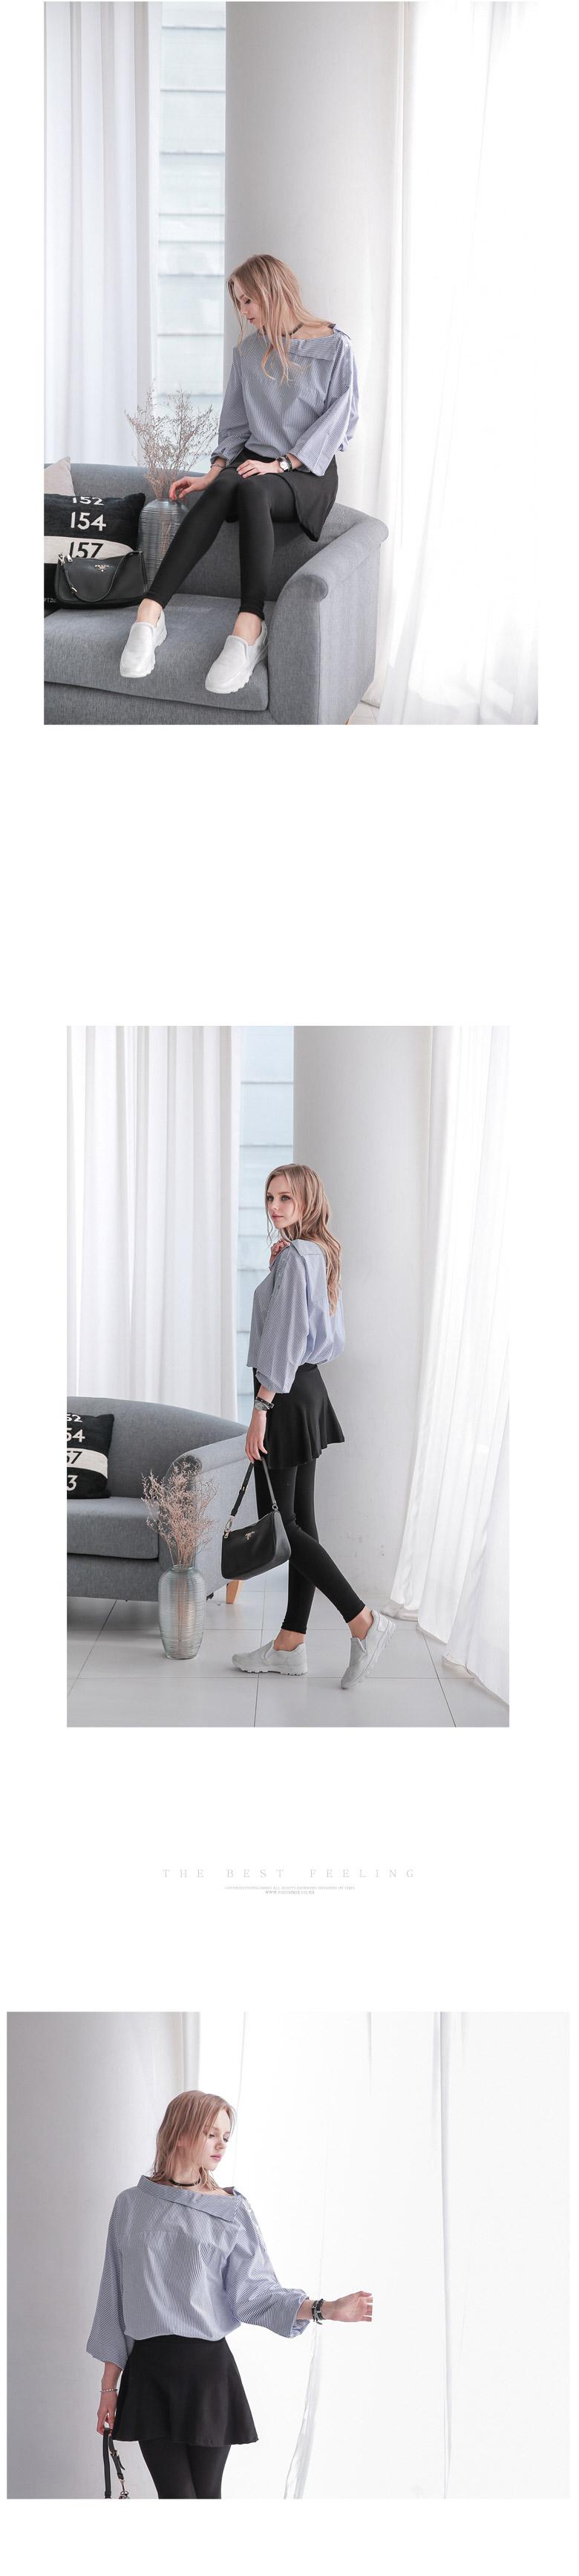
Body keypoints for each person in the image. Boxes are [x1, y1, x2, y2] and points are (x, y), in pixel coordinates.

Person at [88, 2088, 373, 2499]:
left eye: (226, 2136)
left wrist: (323, 2309)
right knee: (176, 2498)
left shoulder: (230, 2209)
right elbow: (113, 2299)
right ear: (180, 2134)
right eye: (211, 2134)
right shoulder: (131, 2205)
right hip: (149, 2372)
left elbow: (255, 2293)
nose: (222, 2145)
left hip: (207, 2374)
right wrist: (108, 2389)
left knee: (207, 2497)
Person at [120, 253, 359, 695]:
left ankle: (250, 628)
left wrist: (283, 463)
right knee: (229, 485)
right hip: (254, 459)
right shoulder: (248, 352)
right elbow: (234, 424)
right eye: (239, 302)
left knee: (252, 491)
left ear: (273, 291)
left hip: (307, 470)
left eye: (249, 300)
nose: (244, 311)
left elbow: (341, 419)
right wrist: (213, 472)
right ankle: (150, 613)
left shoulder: (334, 346)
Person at [232, 1165, 395, 1690]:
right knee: (301, 1519)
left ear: (306, 1201)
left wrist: (261, 1406)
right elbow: (321, 1335)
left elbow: (282, 1338)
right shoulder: (318, 1252)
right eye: (270, 1198)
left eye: (286, 1198)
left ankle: (363, 1621)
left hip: (282, 1395)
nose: (275, 1207)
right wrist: (276, 1273)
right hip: (308, 1390)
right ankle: (291, 1642)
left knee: (281, 1523)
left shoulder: (296, 1257)